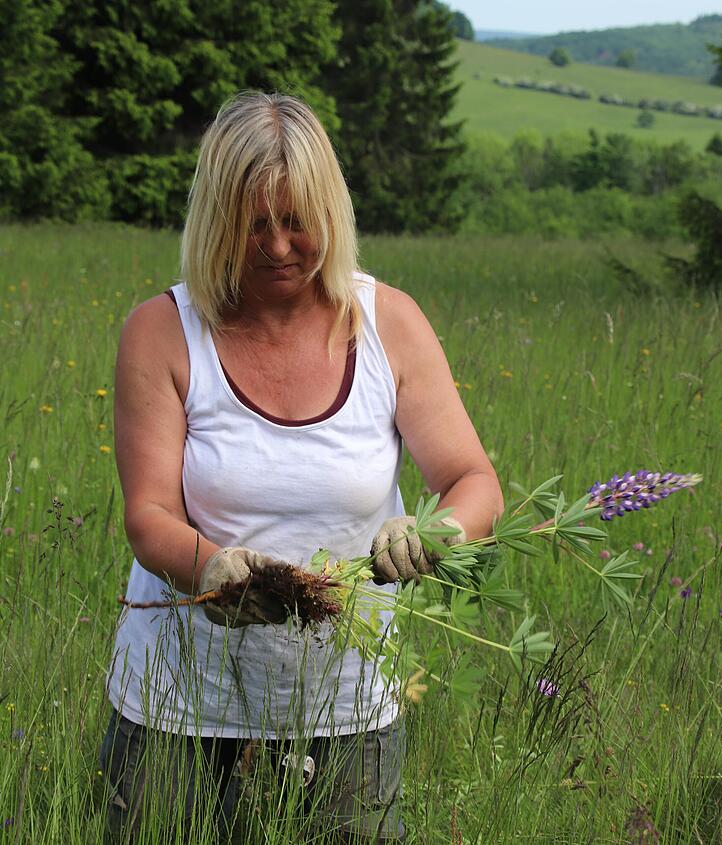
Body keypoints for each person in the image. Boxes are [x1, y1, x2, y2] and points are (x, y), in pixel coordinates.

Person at [99, 91, 503, 843]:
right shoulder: (162, 331)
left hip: (346, 705)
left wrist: (437, 530)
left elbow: (474, 481)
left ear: (333, 213)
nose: (279, 245)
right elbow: (148, 515)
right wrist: (213, 566)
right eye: (253, 223)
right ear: (215, 220)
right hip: (180, 703)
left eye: (298, 220)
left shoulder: (389, 324)